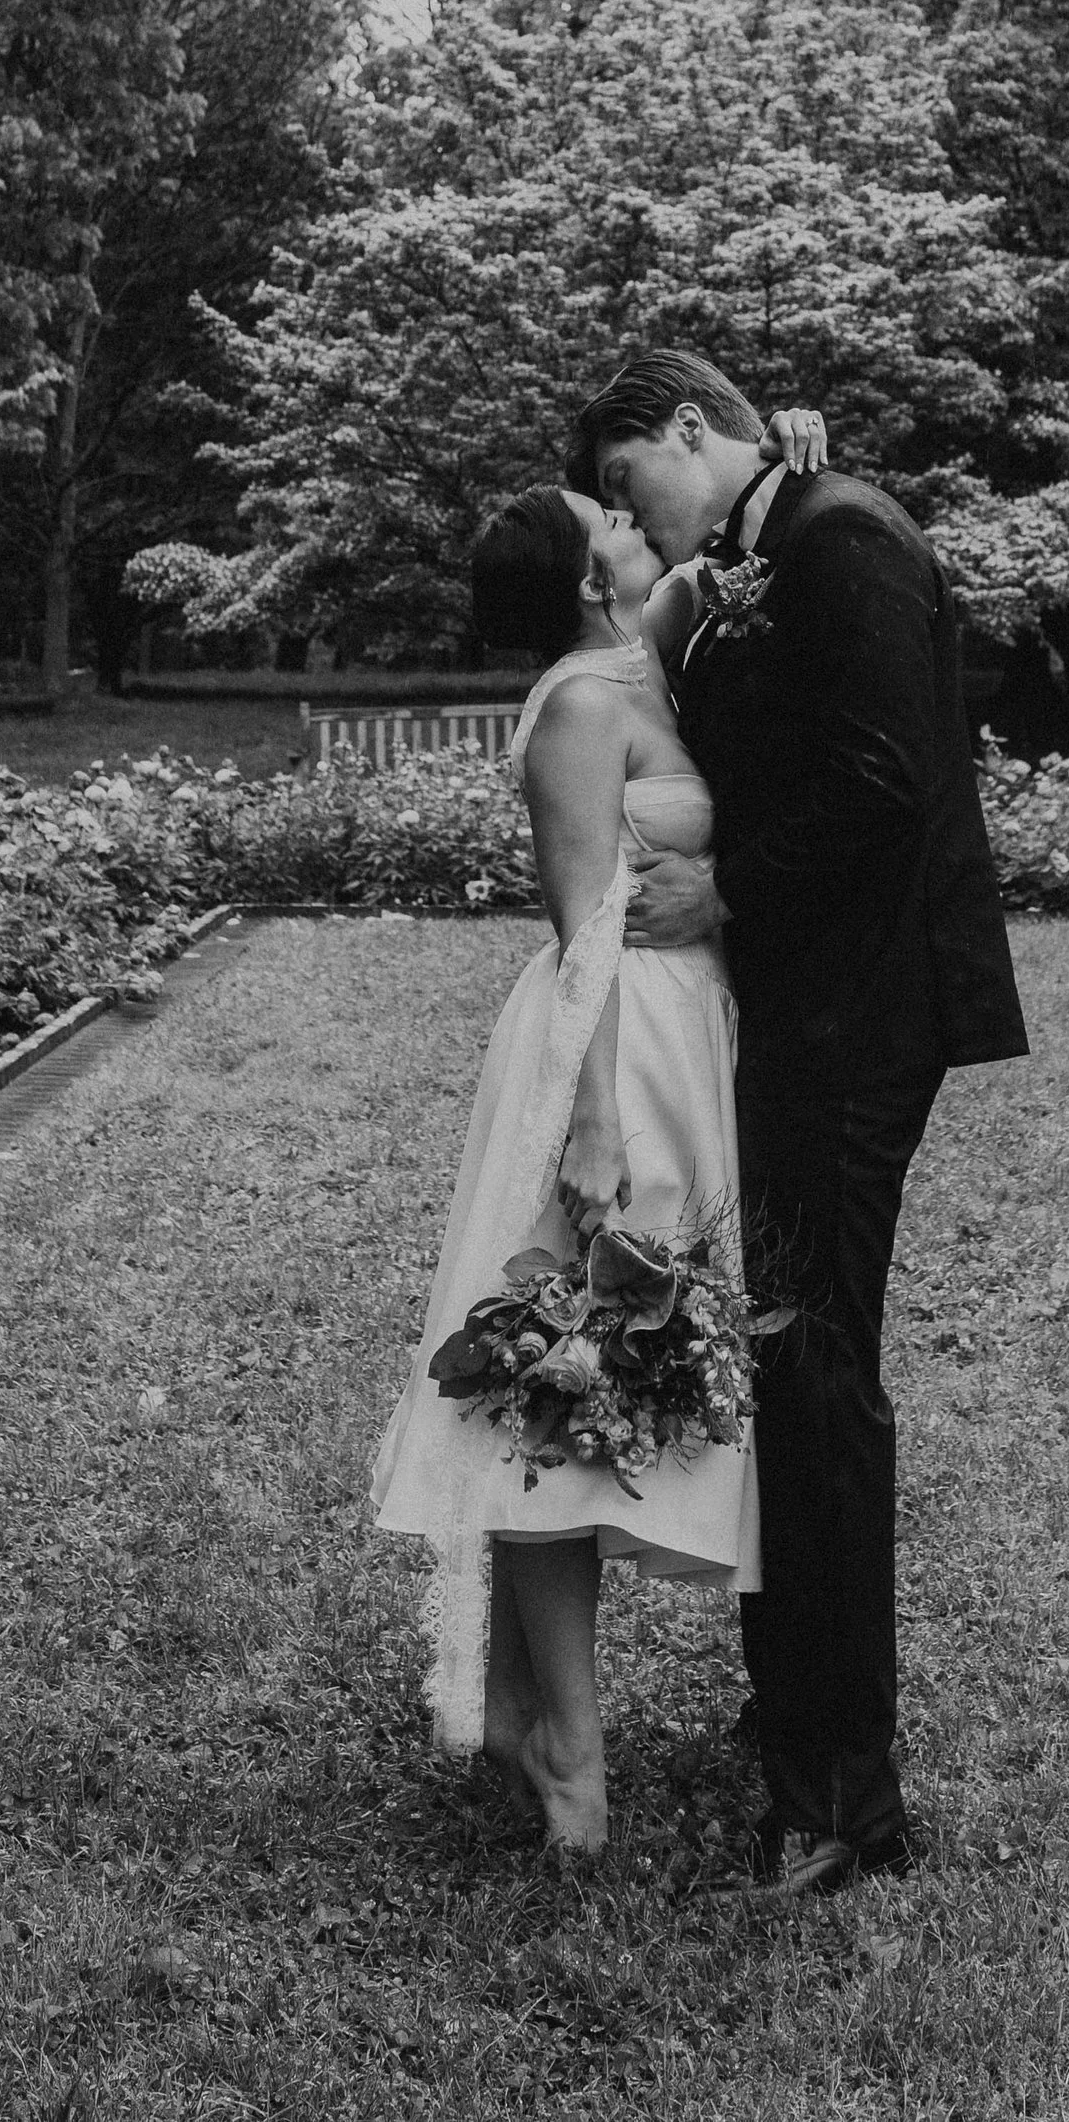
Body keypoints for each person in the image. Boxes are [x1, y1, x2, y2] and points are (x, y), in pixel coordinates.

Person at [572, 347, 1028, 1895]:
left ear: (687, 430)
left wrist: (730, 885)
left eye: (635, 480)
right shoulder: (764, 548)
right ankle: (799, 1714)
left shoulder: (845, 538)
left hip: (856, 1018)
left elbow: (887, 776)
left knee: (818, 1376)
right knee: (781, 1353)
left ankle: (847, 1802)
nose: (640, 514)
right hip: (796, 1015)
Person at [368, 411, 827, 1853]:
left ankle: (530, 1705)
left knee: (613, 1369)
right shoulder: (579, 703)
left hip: (689, 1037)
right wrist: (592, 1132)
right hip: (608, 1049)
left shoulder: (661, 644)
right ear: (585, 573)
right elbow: (580, 933)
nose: (634, 515)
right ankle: (565, 1736)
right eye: (610, 514)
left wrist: (794, 452)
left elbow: (748, 533)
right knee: (564, 1384)